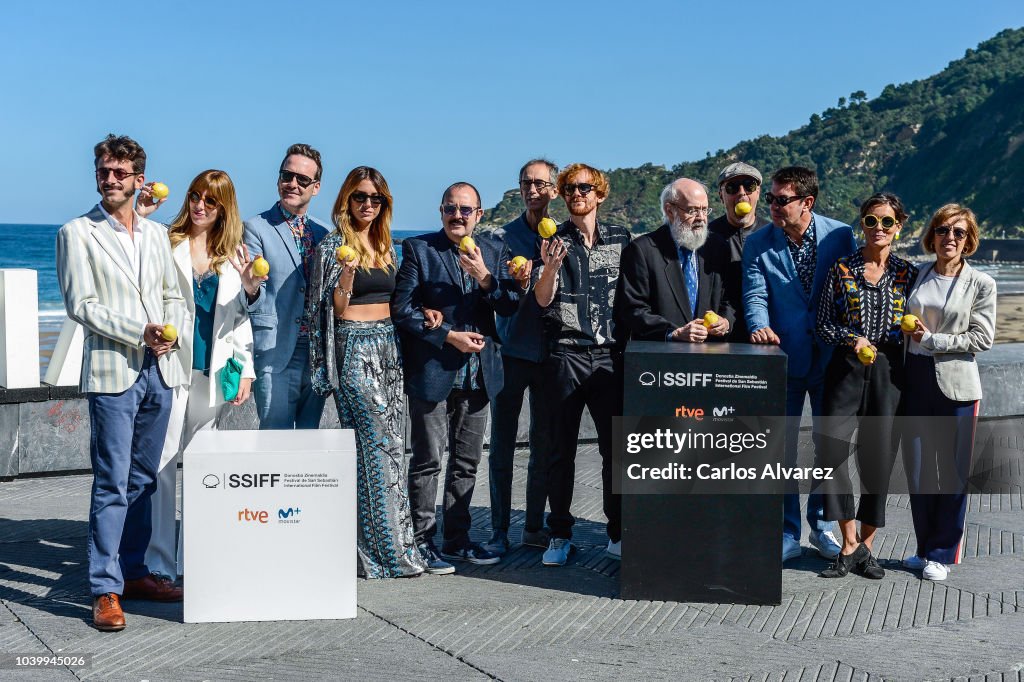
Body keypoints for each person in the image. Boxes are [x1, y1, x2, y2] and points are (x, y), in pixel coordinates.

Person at [56, 135, 186, 631]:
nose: (110, 179)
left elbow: (173, 294)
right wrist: (141, 332)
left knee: (145, 480)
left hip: (160, 369)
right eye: (103, 171)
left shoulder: (155, 235)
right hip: (113, 369)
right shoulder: (77, 232)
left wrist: (168, 334)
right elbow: (81, 306)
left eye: (119, 172)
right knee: (111, 482)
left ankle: (133, 572)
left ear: (138, 179)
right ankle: (105, 589)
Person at [392, 182, 524, 572]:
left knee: (466, 463)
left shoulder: (495, 251)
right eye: (451, 208)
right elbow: (402, 309)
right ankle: (421, 541)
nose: (458, 216)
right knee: (428, 460)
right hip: (434, 371)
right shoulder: (420, 249)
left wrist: (486, 278)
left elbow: (510, 305)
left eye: (466, 210)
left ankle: (457, 539)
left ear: (479, 215)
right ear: (441, 211)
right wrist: (447, 334)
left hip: (480, 375)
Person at [307, 167, 427, 578]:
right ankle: (383, 555)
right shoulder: (331, 248)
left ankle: (392, 549)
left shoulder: (389, 246)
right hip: (353, 347)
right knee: (376, 446)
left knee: (393, 445)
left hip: (388, 346)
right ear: (345, 200)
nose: (368, 205)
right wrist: (346, 276)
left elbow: (400, 301)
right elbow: (331, 311)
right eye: (360, 197)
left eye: (376, 199)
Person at [138, 170, 258, 580]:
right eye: (194, 196)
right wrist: (141, 211)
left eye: (210, 200)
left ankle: (194, 556)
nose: (199, 205)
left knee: (203, 464)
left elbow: (240, 319)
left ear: (224, 207)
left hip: (215, 371)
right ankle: (158, 561)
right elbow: (139, 282)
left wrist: (247, 372)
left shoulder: (233, 255)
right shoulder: (165, 242)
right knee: (164, 461)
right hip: (170, 367)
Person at [742, 166, 855, 563]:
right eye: (771, 198)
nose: (772, 205)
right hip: (783, 360)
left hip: (829, 361)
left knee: (829, 447)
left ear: (807, 202)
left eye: (781, 199)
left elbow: (852, 288)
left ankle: (821, 525)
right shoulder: (758, 244)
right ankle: (787, 531)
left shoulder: (841, 235)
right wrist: (759, 326)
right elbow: (754, 294)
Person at [815, 192, 918, 579]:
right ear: (862, 224)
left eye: (887, 222)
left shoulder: (908, 273)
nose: (878, 229)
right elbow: (823, 323)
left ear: (899, 227)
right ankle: (848, 542)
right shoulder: (841, 268)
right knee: (831, 452)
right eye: (871, 221)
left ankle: (868, 546)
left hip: (889, 371)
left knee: (879, 457)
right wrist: (852, 339)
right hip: (846, 368)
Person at [535, 163, 632, 567]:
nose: (577, 194)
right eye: (570, 188)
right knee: (561, 451)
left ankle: (617, 531)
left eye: (585, 188)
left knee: (615, 450)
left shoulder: (623, 239)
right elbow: (542, 300)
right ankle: (559, 534)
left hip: (610, 355)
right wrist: (551, 267)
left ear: (600, 195)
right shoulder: (553, 239)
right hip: (566, 353)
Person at [901, 204, 996, 581]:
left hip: (957, 385)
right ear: (932, 236)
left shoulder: (982, 284)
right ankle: (924, 548)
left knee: (952, 474)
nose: (949, 238)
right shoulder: (917, 274)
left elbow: (983, 337)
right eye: (942, 230)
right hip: (916, 380)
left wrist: (931, 339)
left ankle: (943, 551)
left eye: (958, 232)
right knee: (920, 470)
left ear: (969, 239)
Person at [480, 159, 558, 555]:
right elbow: (488, 289)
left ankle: (532, 526)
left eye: (541, 183)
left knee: (544, 446)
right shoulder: (500, 237)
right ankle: (497, 531)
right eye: (527, 183)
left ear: (554, 190)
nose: (533, 190)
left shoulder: (563, 237)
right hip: (508, 351)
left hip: (550, 354)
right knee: (503, 447)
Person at [243, 143, 330, 429]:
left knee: (309, 442)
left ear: (315, 187)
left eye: (302, 180)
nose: (292, 184)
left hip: (316, 354)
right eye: (286, 176)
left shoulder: (323, 233)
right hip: (276, 350)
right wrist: (251, 287)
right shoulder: (255, 228)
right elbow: (250, 296)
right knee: (274, 443)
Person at [615, 178, 735, 343]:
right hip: (660, 360)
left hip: (708, 359)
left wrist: (725, 322)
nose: (701, 218)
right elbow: (632, 309)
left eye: (705, 210)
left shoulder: (718, 248)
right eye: (692, 210)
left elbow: (729, 299)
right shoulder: (642, 251)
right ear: (670, 210)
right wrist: (673, 333)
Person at [707, 162, 768, 342]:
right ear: (721, 195)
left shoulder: (775, 236)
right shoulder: (705, 238)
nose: (742, 192)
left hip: (766, 336)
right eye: (732, 187)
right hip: (719, 338)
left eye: (749, 186)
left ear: (758, 192)